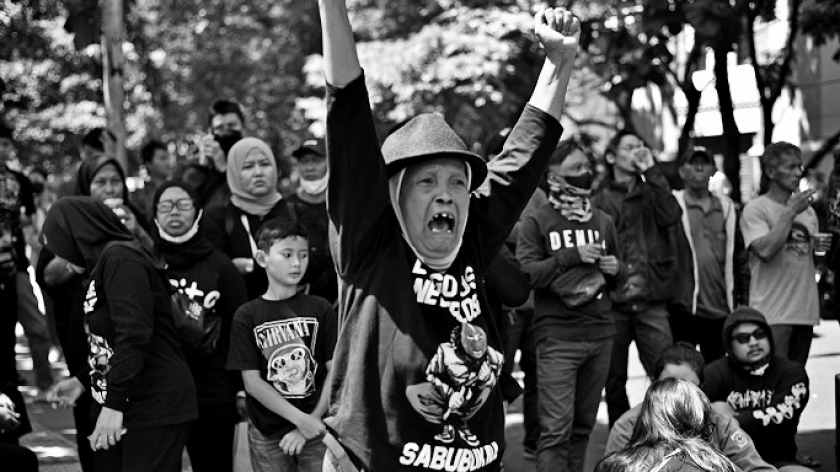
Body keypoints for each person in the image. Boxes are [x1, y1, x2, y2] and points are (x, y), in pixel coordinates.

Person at [318, 0, 579, 469]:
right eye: (427, 182)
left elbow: (524, 154)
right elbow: (348, 110)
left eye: (458, 181)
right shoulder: (369, 243)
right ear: (395, 195)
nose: (447, 195)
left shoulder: (473, 235)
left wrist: (559, 62)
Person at [42, 197, 198, 472]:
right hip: (127, 402)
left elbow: (134, 335)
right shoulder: (106, 263)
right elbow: (110, 341)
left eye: (62, 246)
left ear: (78, 234)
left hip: (152, 405)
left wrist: (114, 406)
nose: (63, 260)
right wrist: (82, 381)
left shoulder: (121, 259)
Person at [517, 139, 624, 472]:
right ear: (553, 176)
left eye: (586, 167)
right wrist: (570, 256)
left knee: (582, 428)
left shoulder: (603, 220)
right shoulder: (537, 221)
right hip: (558, 339)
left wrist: (616, 270)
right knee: (555, 432)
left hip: (601, 333)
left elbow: (619, 274)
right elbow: (527, 276)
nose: (585, 174)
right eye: (576, 169)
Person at [152, 181, 249, 472]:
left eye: (183, 204)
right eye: (166, 205)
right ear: (155, 214)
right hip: (158, 391)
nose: (175, 212)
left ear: (197, 211)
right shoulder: (143, 262)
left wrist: (241, 390)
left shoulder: (221, 266)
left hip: (212, 393)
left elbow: (238, 331)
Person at [227, 219, 337, 472]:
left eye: (303, 255)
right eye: (286, 255)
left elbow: (335, 369)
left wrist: (309, 424)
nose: (297, 263)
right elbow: (252, 383)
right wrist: (300, 420)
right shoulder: (247, 314)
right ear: (262, 258)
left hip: (316, 427)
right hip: (267, 432)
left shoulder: (321, 308)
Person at [592, 130, 682, 425]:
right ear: (612, 156)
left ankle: (668, 431)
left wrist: (653, 171)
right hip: (612, 302)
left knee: (667, 375)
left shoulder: (653, 189)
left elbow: (671, 216)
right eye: (629, 147)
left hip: (651, 300)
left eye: (640, 146)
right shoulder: (599, 197)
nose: (637, 152)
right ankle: (624, 441)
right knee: (613, 380)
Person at [606, 343, 775, 472]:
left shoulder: (718, 421)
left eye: (688, 387)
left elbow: (757, 468)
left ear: (701, 388)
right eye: (668, 385)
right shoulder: (626, 427)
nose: (677, 395)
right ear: (653, 383)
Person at [740, 142, 824, 365]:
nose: (798, 172)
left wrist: (820, 249)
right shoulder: (756, 209)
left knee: (795, 387)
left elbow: (812, 257)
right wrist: (790, 212)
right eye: (791, 167)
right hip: (772, 313)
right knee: (772, 385)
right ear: (770, 171)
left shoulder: (808, 212)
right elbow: (765, 250)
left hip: (805, 310)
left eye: (800, 166)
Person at [703, 306, 812, 472]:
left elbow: (783, 416)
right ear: (729, 344)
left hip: (777, 461)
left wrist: (734, 421)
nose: (753, 343)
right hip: (726, 463)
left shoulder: (792, 372)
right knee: (716, 408)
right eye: (743, 338)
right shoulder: (714, 373)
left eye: (759, 335)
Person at [671, 148, 749, 362]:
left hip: (722, 309)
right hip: (685, 308)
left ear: (713, 170)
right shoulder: (672, 205)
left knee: (716, 374)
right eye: (691, 163)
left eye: (704, 163)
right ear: (681, 171)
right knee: (683, 375)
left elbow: (740, 258)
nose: (698, 167)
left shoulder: (727, 208)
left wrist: (743, 301)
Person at [203, 137, 295, 301]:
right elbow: (221, 272)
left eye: (265, 164)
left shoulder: (293, 210)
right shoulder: (217, 218)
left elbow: (310, 263)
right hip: (241, 317)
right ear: (234, 172)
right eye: (248, 166)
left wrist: (249, 265)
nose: (258, 172)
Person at [0, 122, 54, 399]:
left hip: (16, 265)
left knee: (36, 325)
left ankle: (44, 384)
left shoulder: (18, 181)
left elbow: (30, 221)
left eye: (6, 144)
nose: (2, 149)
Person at [596, 378, 738, 472]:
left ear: (646, 418)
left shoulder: (614, 465)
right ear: (696, 421)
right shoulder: (717, 464)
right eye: (705, 426)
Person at [286, 138, 337, 302]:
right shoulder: (287, 206)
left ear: (329, 161)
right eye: (304, 161)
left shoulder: (341, 204)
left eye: (316, 160)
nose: (309, 167)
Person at [181, 100, 245, 209]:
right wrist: (201, 167)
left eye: (232, 125)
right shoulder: (190, 166)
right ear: (211, 131)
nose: (226, 131)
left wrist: (223, 168)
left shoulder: (254, 160)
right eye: (220, 128)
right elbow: (185, 204)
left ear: (242, 126)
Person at [131, 140, 174, 223]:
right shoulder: (139, 196)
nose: (168, 162)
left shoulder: (178, 189)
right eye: (162, 158)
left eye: (168, 158)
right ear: (149, 164)